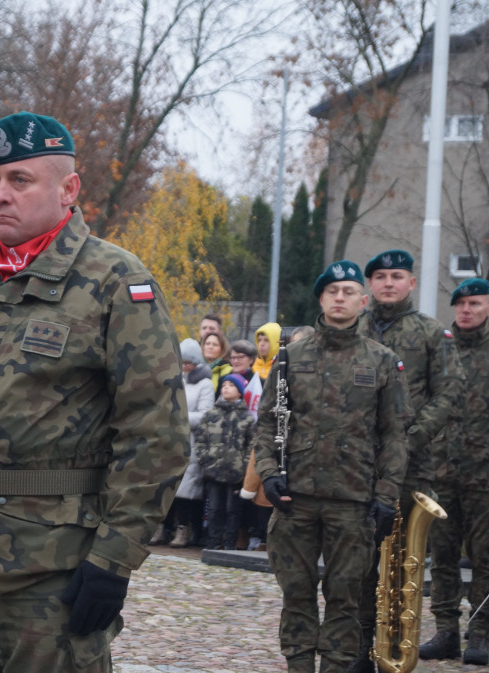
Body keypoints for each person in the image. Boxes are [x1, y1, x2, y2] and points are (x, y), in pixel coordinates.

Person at [0, 111, 189, 672]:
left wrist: (114, 558)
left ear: (68, 189)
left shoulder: (114, 282)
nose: (0, 195)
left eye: (19, 180)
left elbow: (156, 434)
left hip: (52, 573)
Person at [254, 260, 410, 673]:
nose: (340, 298)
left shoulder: (382, 360)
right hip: (295, 498)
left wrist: (387, 494)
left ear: (363, 300)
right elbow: (267, 421)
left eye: (348, 291)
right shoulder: (291, 356)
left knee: (346, 595)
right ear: (321, 298)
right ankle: (300, 665)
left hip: (353, 499)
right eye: (332, 291)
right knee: (297, 592)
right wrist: (268, 473)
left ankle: (337, 667)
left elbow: (395, 434)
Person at [351, 249, 465, 672]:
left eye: (396, 276)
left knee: (403, 557)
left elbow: (451, 393)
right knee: (359, 555)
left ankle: (398, 643)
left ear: (411, 283)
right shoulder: (354, 327)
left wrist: (409, 438)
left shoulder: (432, 333)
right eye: (379, 277)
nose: (387, 283)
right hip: (358, 462)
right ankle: (363, 641)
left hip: (411, 462)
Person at [418, 278, 489, 666]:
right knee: (441, 556)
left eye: (475, 303)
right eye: (460, 303)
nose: (466, 310)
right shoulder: (439, 351)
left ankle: (479, 633)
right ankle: (446, 631)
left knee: (486, 558)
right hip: (440, 472)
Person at [150, 338, 214, 547]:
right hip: (170, 440)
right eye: (182, 362)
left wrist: (180, 417)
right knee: (165, 488)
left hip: (191, 441)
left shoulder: (204, 383)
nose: (185, 366)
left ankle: (183, 529)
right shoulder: (176, 378)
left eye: (188, 363)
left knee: (185, 491)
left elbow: (206, 414)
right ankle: (162, 526)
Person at [195, 373, 254, 550]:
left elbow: (251, 445)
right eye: (224, 385)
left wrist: (244, 466)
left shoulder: (246, 418)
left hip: (236, 473)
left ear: (240, 391)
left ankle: (229, 543)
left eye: (231, 385)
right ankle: (213, 541)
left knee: (232, 510)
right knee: (214, 509)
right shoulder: (211, 415)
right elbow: (200, 439)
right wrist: (204, 459)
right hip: (213, 470)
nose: (226, 388)